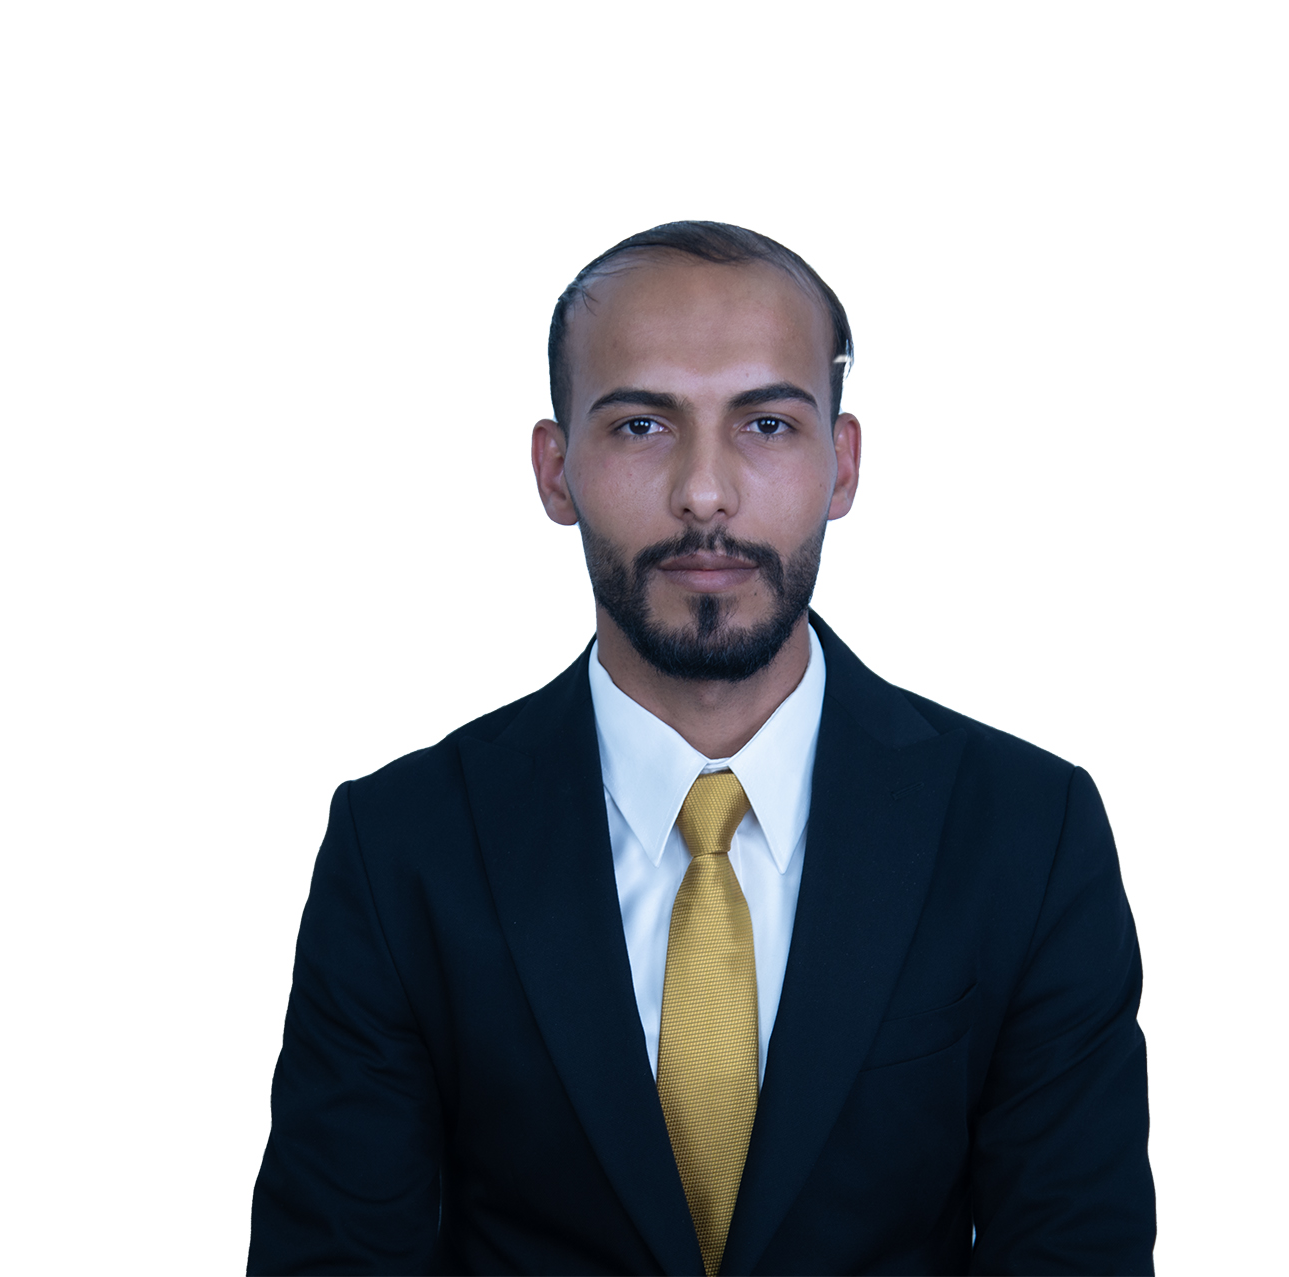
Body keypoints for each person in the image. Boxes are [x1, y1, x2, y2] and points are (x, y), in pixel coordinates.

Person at [248, 222, 1155, 1275]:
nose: (706, 491)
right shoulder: (403, 848)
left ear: (842, 464)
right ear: (555, 470)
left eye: (767, 423)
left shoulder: (1027, 836)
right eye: (642, 425)